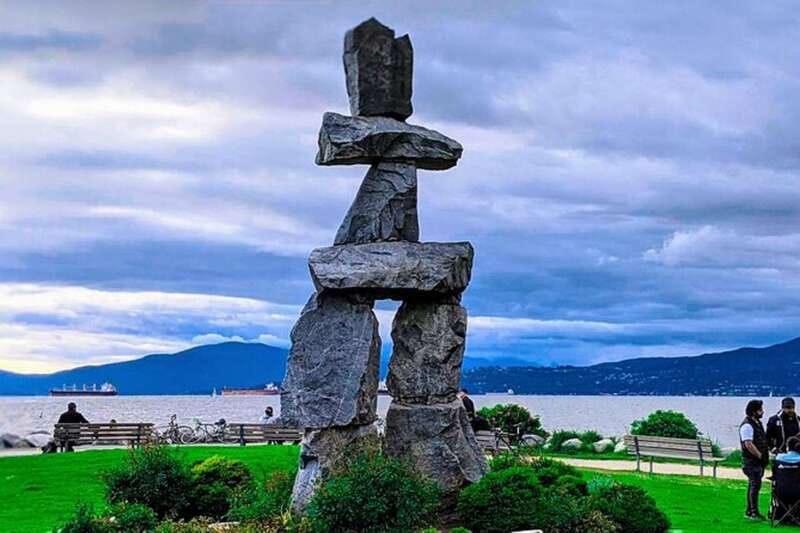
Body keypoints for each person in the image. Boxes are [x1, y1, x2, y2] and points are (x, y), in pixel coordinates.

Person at [740, 399, 769, 520]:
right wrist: (760, 456)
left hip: (757, 461)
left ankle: (750, 510)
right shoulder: (747, 425)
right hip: (751, 461)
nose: (762, 412)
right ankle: (753, 512)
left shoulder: (756, 423)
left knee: (755, 484)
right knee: (754, 484)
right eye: (760, 409)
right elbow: (748, 444)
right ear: (754, 411)